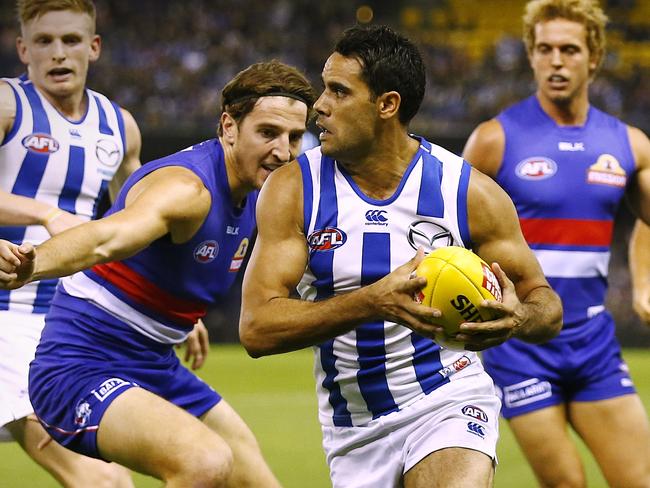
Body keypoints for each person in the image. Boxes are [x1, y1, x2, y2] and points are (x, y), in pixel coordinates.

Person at [238, 25, 562, 488]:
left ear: (387, 105)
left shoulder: (467, 192)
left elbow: (546, 305)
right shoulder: (293, 190)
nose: (319, 106)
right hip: (353, 430)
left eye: (339, 91)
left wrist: (518, 318)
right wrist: (372, 302)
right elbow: (256, 329)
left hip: (448, 398)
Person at [0, 59, 316, 486]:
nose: (283, 151)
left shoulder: (259, 192)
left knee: (256, 480)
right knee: (205, 462)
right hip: (80, 366)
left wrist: (180, 317)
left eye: (294, 137)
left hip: (152, 362)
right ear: (228, 127)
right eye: (267, 133)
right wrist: (32, 263)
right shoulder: (188, 190)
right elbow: (104, 239)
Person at [462, 1, 650, 486]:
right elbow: (448, 234)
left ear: (595, 57)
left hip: (594, 343)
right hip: (520, 343)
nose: (556, 61)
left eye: (569, 49)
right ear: (530, 56)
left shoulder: (629, 145)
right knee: (567, 484)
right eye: (544, 49)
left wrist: (644, 282)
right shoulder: (493, 140)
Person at [0, 0, 141, 485]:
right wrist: (44, 212)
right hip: (5, 319)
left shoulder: (118, 126)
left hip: (70, 325)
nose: (58, 53)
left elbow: (135, 222)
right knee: (105, 480)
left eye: (71, 40)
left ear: (94, 47)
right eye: (43, 41)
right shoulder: (7, 104)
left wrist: (166, 301)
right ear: (23, 49)